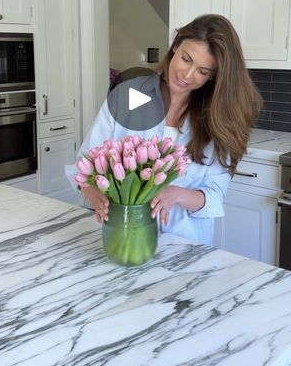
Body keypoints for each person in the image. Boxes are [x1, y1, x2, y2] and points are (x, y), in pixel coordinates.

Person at [66, 14, 262, 245]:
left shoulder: (218, 120)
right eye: (186, 59)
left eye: (203, 71)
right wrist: (90, 191)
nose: (187, 75)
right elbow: (85, 164)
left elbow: (214, 195)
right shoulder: (129, 96)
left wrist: (176, 194)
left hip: (185, 245)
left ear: (214, 77)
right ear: (176, 46)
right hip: (123, 236)